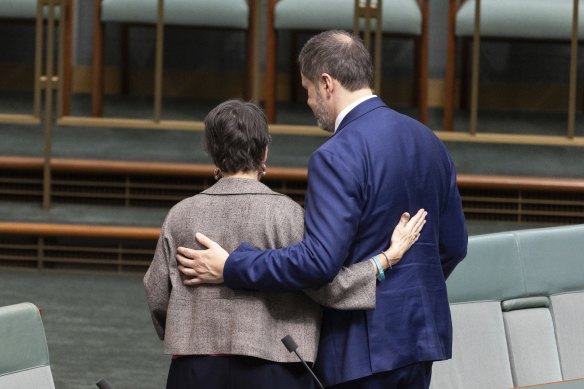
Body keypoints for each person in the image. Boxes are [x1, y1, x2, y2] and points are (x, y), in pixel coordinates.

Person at [176, 30, 468, 389]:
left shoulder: (337, 155)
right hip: (421, 339)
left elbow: (318, 262)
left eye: (308, 90)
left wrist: (232, 266)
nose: (310, 102)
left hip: (361, 350)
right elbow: (454, 246)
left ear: (327, 83)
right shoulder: (430, 142)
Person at [143, 99, 427, 389]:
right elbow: (328, 287)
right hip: (276, 369)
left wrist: (186, 330)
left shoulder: (179, 216)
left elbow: (157, 295)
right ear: (264, 151)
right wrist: (387, 258)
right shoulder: (288, 215)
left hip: (194, 369)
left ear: (211, 151)